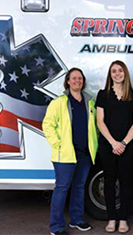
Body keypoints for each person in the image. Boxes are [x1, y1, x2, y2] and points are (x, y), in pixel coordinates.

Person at [42, 68, 98, 235]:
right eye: (73, 78)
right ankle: (56, 227)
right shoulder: (59, 102)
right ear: (67, 81)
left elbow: (94, 126)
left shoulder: (90, 102)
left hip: (84, 154)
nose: (77, 81)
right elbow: (47, 124)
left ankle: (76, 219)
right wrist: (58, 144)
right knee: (62, 188)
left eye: (80, 78)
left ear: (83, 81)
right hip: (65, 155)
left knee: (79, 187)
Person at [96, 60, 133, 233]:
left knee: (125, 181)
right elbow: (100, 121)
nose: (117, 74)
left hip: (127, 146)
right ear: (110, 75)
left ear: (125, 73)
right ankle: (111, 218)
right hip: (108, 145)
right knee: (108, 181)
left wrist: (123, 143)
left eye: (120, 71)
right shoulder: (102, 95)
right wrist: (113, 143)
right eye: (113, 71)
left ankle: (123, 219)